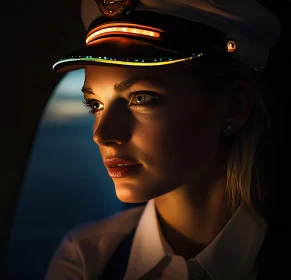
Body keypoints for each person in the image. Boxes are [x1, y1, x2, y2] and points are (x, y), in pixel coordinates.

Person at [45, 0, 281, 279]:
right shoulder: (85, 259)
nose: (102, 135)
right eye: (95, 104)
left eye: (141, 98)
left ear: (233, 106)